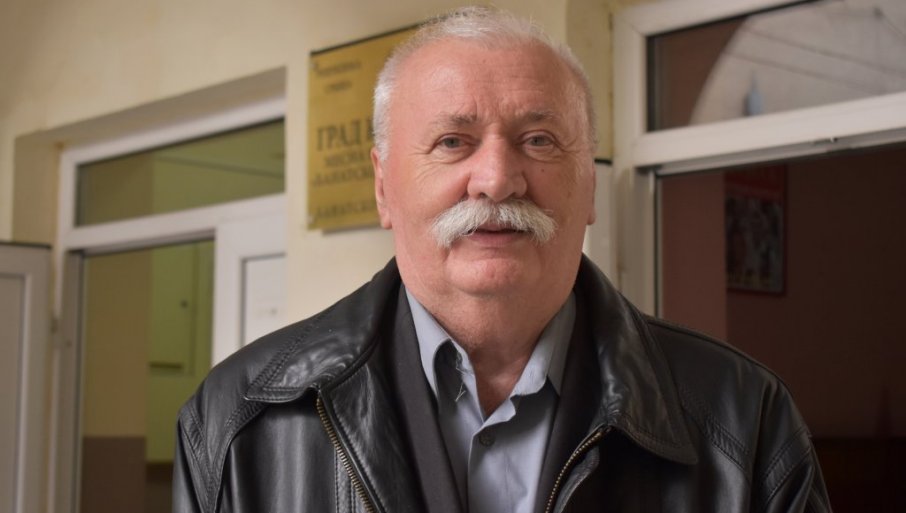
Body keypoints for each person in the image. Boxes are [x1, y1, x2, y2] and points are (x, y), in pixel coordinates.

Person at [173, 7, 831, 513]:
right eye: (452, 141)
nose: (496, 179)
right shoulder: (237, 421)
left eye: (538, 140)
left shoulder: (745, 422)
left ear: (590, 186)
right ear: (383, 187)